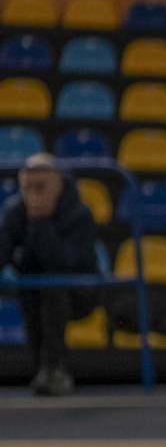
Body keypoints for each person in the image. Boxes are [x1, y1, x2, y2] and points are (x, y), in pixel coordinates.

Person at [1, 154, 97, 396]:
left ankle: (55, 369)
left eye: (40, 187)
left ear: (59, 185)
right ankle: (43, 370)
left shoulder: (79, 214)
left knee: (53, 285)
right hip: (33, 291)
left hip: (79, 293)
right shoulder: (15, 211)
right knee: (31, 289)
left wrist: (40, 223)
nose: (32, 194)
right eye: (27, 187)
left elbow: (64, 264)